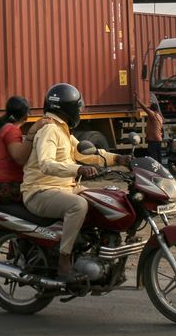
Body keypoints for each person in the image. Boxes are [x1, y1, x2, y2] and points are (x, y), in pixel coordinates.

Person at [23, 83, 131, 282]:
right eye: (78, 107)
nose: (79, 112)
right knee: (78, 205)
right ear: (67, 108)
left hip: (64, 188)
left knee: (105, 198)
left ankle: (93, 247)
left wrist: (118, 159)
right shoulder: (49, 130)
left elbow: (84, 153)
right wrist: (78, 169)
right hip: (40, 191)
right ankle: (64, 260)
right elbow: (46, 164)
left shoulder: (62, 130)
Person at [138, 97, 164, 164]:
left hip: (153, 140)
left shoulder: (153, 115)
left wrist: (138, 100)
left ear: (152, 109)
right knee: (158, 156)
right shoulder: (159, 116)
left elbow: (145, 108)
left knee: (152, 156)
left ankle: (154, 168)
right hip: (158, 139)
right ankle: (160, 168)